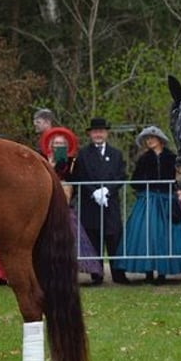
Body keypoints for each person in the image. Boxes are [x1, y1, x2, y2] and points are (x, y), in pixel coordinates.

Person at [114, 126, 181, 284]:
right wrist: (145, 185)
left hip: (168, 200)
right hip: (149, 200)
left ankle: (164, 273)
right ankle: (148, 272)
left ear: (160, 140)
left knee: (170, 235)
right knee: (146, 234)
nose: (149, 141)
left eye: (152, 138)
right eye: (147, 139)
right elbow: (135, 181)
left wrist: (179, 189)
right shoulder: (143, 159)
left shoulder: (172, 158)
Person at [70, 117, 129, 285]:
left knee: (114, 238)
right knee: (94, 238)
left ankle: (118, 273)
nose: (98, 134)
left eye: (101, 131)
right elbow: (78, 177)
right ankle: (97, 274)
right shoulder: (83, 154)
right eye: (95, 132)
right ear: (90, 134)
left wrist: (107, 190)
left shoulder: (116, 154)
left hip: (110, 204)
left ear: (106, 133)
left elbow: (121, 176)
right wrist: (94, 191)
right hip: (91, 204)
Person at [39, 126, 103, 277]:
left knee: (71, 237)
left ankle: (71, 269)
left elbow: (75, 179)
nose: (58, 146)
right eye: (56, 143)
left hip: (65, 204)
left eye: (62, 144)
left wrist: (62, 167)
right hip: (45, 204)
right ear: (50, 145)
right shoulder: (42, 159)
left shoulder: (72, 162)